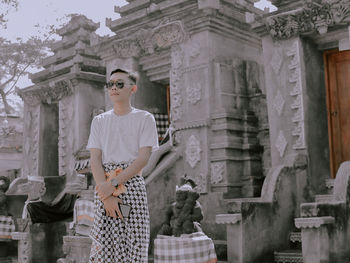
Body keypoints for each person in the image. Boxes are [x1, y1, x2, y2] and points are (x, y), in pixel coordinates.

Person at [87, 68, 159, 262]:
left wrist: (114, 184)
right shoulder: (99, 121)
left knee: (134, 244)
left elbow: (143, 158)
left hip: (131, 184)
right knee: (105, 245)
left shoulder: (144, 118)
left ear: (133, 88)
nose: (114, 88)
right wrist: (106, 193)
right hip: (104, 184)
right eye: (110, 84)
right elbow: (95, 159)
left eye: (120, 84)